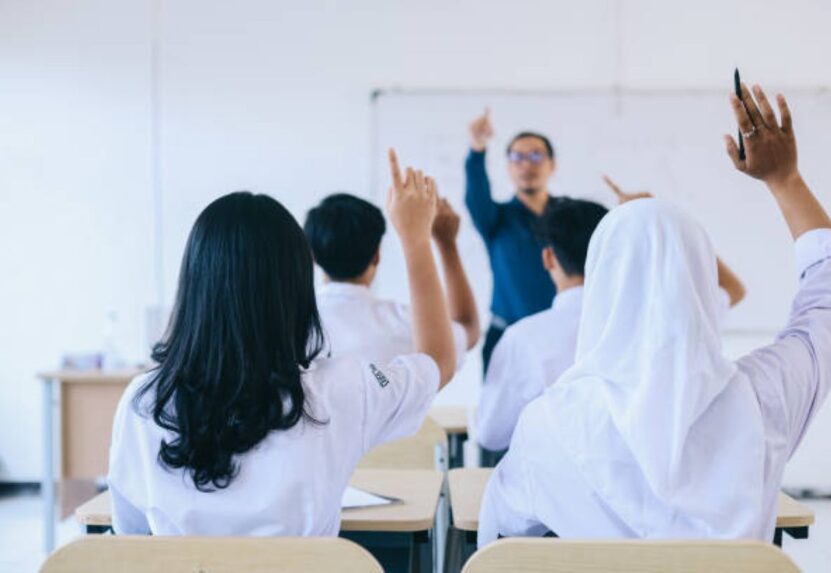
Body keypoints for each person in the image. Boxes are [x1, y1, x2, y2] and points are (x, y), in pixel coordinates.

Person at [478, 83, 831, 544]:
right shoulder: (764, 397)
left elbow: (498, 540)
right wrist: (786, 180)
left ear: (601, 280)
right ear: (701, 274)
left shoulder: (547, 422)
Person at [108, 150, 457, 536]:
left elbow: (133, 545)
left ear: (194, 285)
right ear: (296, 289)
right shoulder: (340, 390)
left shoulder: (143, 402)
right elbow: (437, 361)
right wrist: (416, 239)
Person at [474, 189, 746, 455]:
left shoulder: (523, 338)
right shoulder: (665, 321)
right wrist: (662, 220)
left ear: (548, 258)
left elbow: (490, 434)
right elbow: (734, 289)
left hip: (559, 488)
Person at [305, 192, 480, 366]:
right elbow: (467, 330)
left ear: (312, 256)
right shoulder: (407, 324)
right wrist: (447, 243)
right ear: (377, 256)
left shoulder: (294, 324)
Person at [466, 109, 560, 370]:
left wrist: (632, 213)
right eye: (517, 157)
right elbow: (476, 195)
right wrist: (477, 148)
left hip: (558, 337)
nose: (526, 164)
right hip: (506, 337)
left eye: (536, 156)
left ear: (552, 165)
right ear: (508, 166)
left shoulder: (567, 217)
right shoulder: (496, 219)